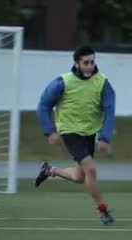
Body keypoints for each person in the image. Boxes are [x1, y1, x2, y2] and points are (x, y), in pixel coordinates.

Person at [34, 46, 116, 224]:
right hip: (69, 131)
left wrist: (104, 137)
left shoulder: (103, 83)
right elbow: (43, 105)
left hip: (90, 132)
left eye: (92, 62)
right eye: (85, 62)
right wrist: (50, 131)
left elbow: (110, 110)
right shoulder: (62, 82)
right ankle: (103, 210)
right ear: (76, 63)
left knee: (80, 177)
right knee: (91, 170)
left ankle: (50, 170)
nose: (89, 66)